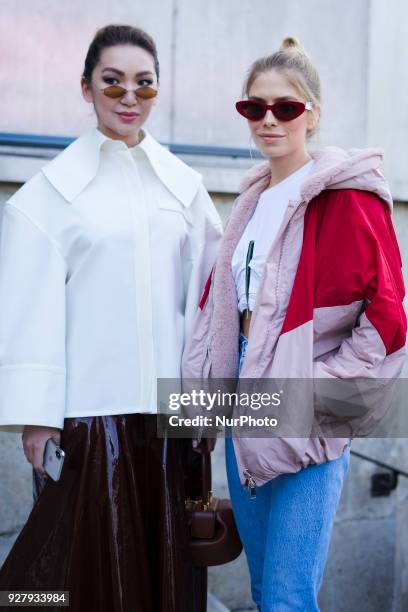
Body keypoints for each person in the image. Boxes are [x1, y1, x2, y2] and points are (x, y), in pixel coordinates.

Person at [0, 24, 222, 612]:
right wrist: (36, 419)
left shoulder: (185, 189)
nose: (129, 97)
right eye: (113, 82)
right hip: (91, 418)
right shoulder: (49, 195)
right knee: (76, 574)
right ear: (86, 88)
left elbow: (210, 302)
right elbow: (30, 309)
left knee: (169, 574)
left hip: (172, 419)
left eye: (144, 85)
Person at [182, 37, 407, 611]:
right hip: (243, 400)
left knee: (287, 597)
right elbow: (218, 315)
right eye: (253, 107)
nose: (268, 120)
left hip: (308, 402)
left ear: (313, 112)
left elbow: (387, 318)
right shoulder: (251, 201)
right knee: (263, 590)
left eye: (286, 107)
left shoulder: (349, 199)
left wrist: (321, 396)